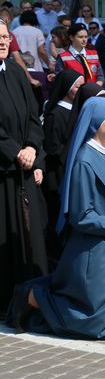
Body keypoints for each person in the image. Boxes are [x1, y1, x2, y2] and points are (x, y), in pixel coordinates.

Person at [9, 97, 105, 340]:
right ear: (97, 123)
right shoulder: (85, 161)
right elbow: (82, 217)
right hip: (93, 249)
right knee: (94, 322)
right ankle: (34, 297)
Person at [0, 20, 48, 318]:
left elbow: (34, 116)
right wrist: (14, 151)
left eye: (5, 36)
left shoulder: (16, 71)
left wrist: (33, 149)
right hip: (4, 169)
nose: (2, 41)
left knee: (30, 236)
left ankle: (29, 295)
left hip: (24, 166)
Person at [42, 70, 84, 260]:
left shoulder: (76, 109)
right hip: (58, 175)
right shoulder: (56, 114)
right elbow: (53, 148)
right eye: (77, 86)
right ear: (67, 88)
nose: (80, 89)